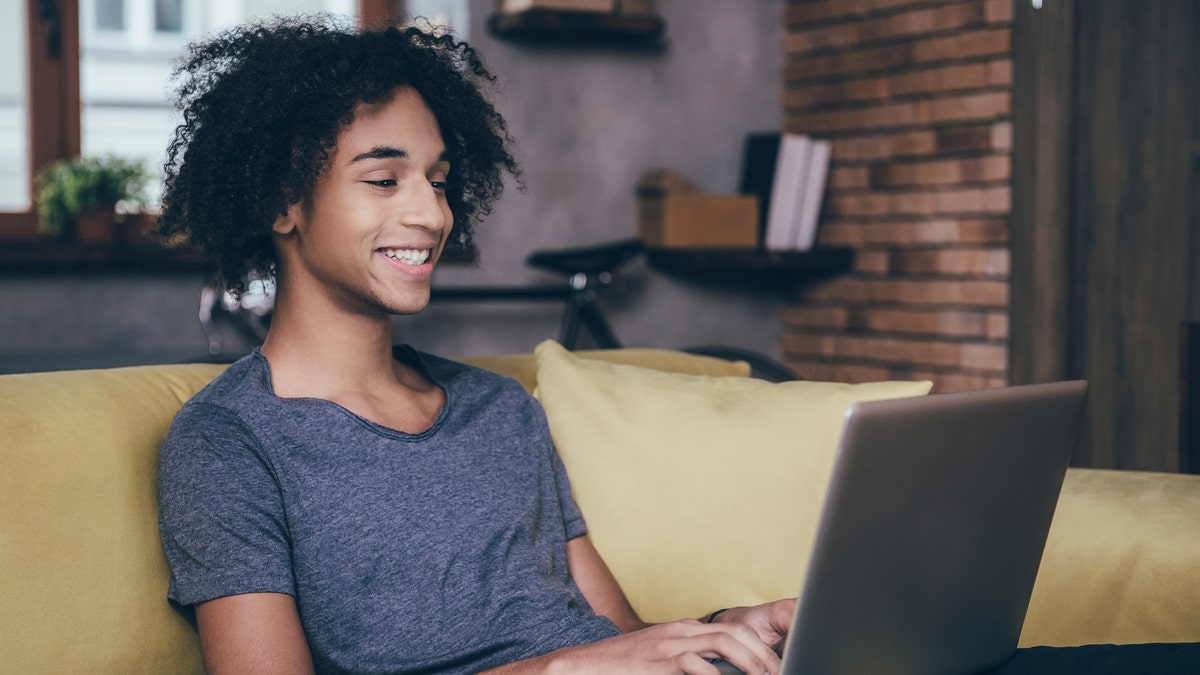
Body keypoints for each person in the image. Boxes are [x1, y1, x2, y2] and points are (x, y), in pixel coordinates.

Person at [155, 16, 793, 675]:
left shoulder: (500, 408)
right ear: (282, 202)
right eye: (383, 180)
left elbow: (621, 637)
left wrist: (725, 631)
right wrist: (556, 671)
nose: (433, 215)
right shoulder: (228, 442)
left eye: (437, 180)